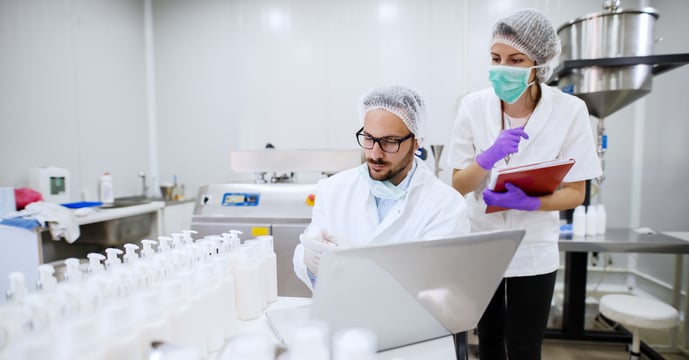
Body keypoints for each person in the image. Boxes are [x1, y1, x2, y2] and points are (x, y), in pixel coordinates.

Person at [447, 9, 602, 360]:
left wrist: (530, 203)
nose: (503, 68)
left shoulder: (570, 111)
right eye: (496, 58)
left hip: (534, 247)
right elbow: (457, 184)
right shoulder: (473, 107)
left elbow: (575, 193)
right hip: (482, 241)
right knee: (487, 339)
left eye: (516, 59)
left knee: (525, 346)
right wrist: (487, 157)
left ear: (540, 64)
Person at [293, 85, 470, 290]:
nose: (375, 154)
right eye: (369, 138)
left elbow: (438, 285)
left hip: (411, 320)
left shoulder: (446, 205)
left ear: (416, 142)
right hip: (343, 316)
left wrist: (364, 268)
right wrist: (312, 265)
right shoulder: (333, 190)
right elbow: (310, 264)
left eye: (390, 142)